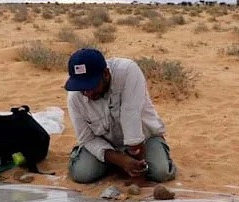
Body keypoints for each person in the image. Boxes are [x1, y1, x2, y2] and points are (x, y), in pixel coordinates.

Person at [64, 48, 176, 184]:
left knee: (161, 173)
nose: (87, 93)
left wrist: (138, 177)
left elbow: (131, 119)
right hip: (106, 144)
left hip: (144, 138)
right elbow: (87, 139)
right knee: (83, 174)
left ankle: (126, 164)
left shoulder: (128, 72)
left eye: (91, 86)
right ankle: (119, 164)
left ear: (106, 74)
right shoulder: (75, 97)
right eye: (82, 88)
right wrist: (120, 159)